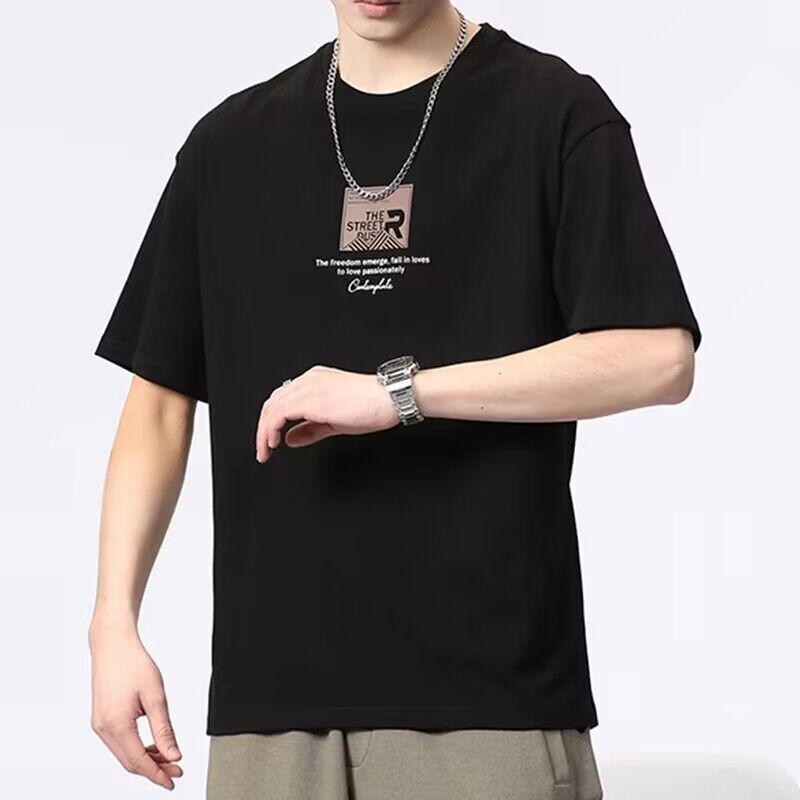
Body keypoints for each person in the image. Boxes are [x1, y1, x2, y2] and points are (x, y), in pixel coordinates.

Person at [88, 1, 702, 798]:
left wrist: (400, 394)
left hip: (487, 703)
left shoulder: (553, 112)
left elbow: (658, 356)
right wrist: (113, 624)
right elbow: (159, 406)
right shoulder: (228, 146)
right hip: (269, 709)